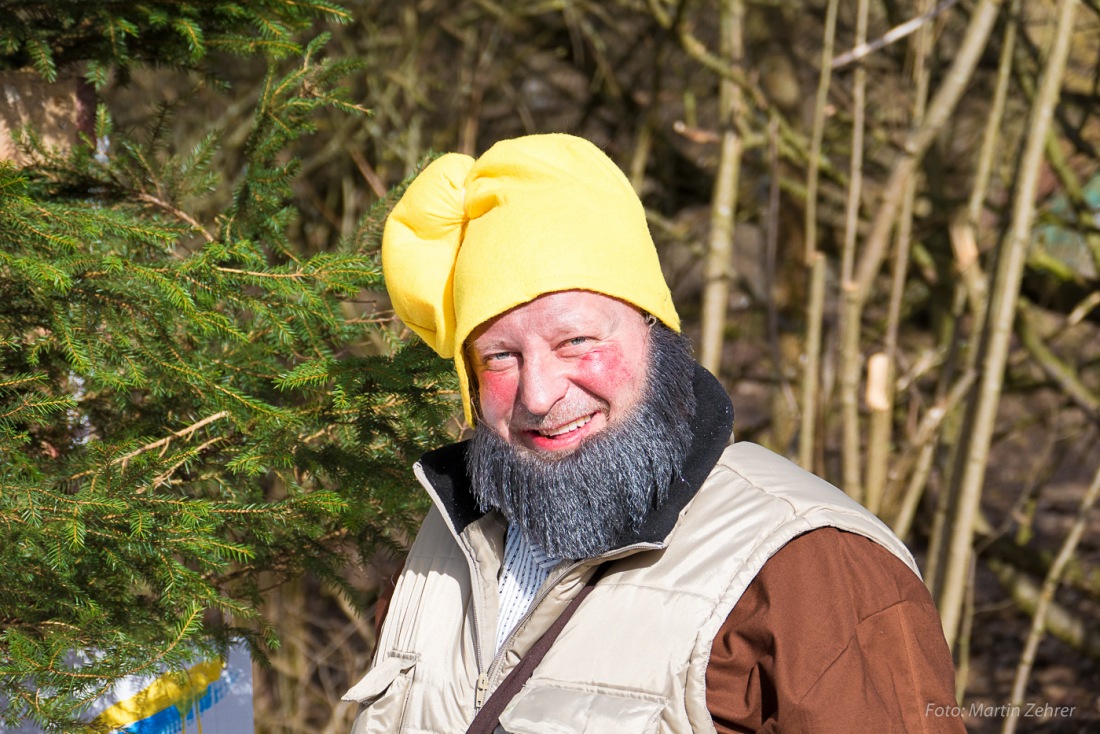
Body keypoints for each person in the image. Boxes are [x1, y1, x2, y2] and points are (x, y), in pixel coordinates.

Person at [343, 133, 964, 733]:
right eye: (500, 357)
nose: (539, 394)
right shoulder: (443, 545)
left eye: (577, 341)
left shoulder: (810, 566)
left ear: (654, 331)